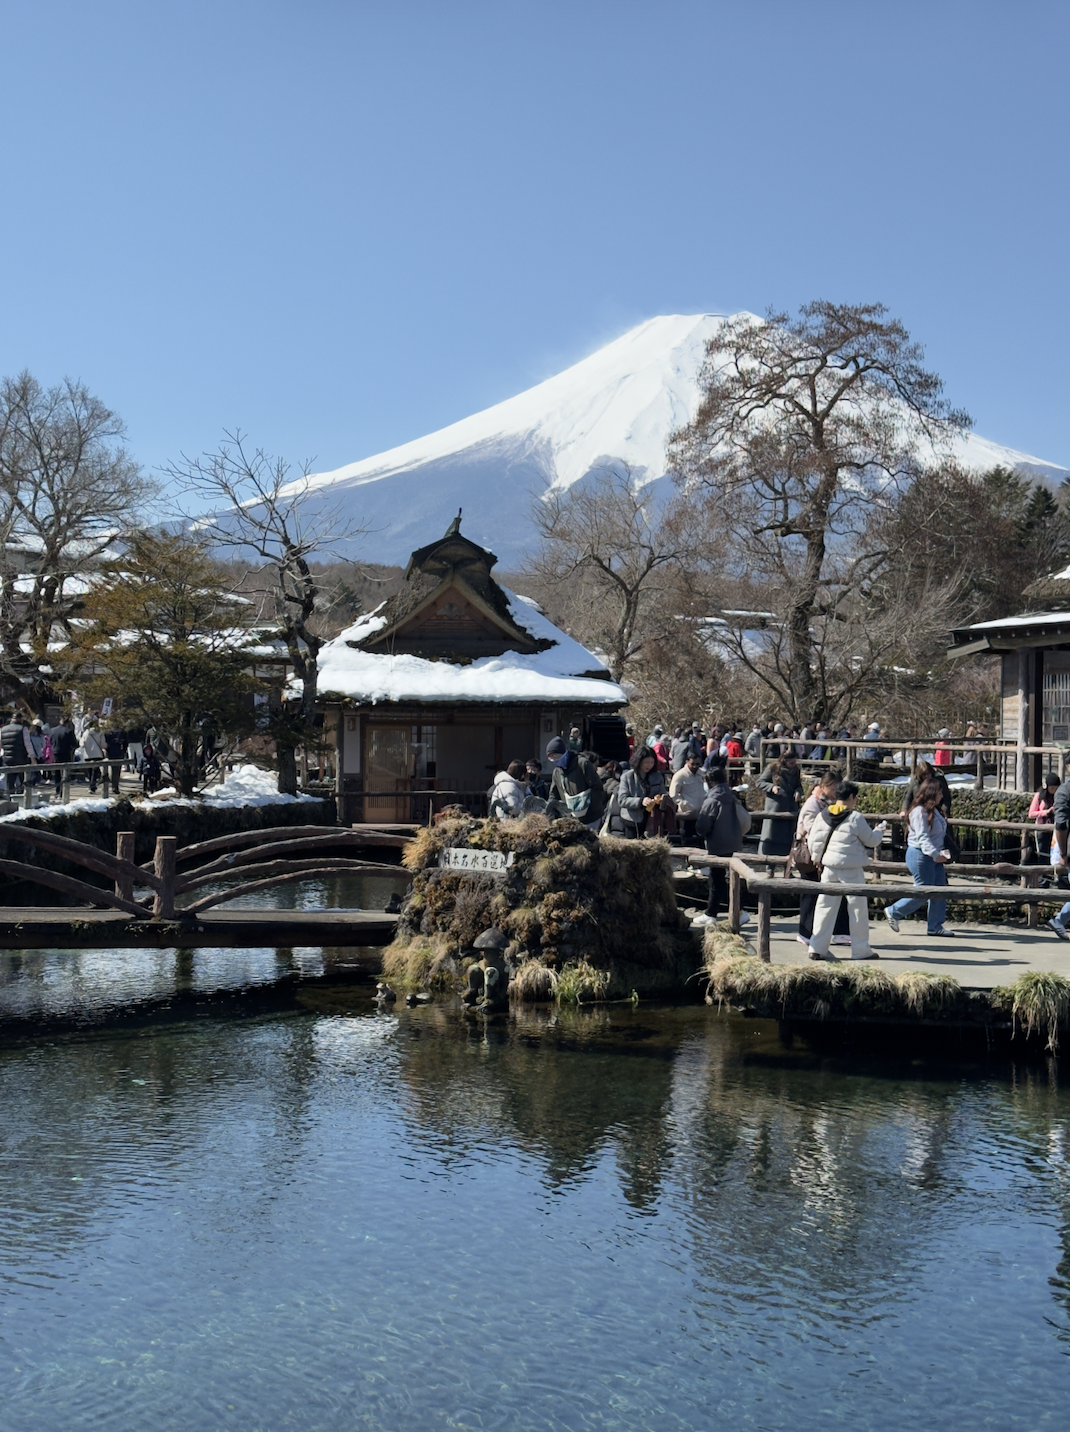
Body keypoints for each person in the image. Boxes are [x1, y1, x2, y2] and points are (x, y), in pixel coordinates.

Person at [806, 781, 887, 961]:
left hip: (829, 867)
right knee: (857, 910)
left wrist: (817, 858)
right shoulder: (855, 817)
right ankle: (860, 950)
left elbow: (814, 841)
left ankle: (817, 947)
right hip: (851, 868)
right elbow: (871, 841)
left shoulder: (822, 815)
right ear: (851, 797)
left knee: (824, 907)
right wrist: (879, 831)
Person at [885, 777, 954, 938]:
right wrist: (936, 855)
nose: (941, 795)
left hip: (934, 855)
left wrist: (940, 853)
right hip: (920, 855)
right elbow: (923, 838)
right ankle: (894, 911)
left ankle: (935, 925)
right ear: (931, 793)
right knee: (924, 890)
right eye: (939, 792)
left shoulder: (935, 810)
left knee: (940, 890)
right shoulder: (919, 812)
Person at [794, 771, 852, 948]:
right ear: (824, 787)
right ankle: (805, 932)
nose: (835, 792)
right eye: (833, 789)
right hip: (811, 855)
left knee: (834, 892)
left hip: (826, 853)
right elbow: (812, 830)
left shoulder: (830, 802)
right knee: (810, 895)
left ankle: (840, 931)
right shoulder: (813, 803)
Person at [691, 765, 752, 926]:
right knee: (718, 878)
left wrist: (699, 831)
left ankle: (738, 911)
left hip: (717, 843)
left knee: (717, 880)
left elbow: (703, 825)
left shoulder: (712, 799)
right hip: (733, 841)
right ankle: (712, 912)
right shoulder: (731, 795)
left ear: (710, 782)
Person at [544, 736, 605, 828]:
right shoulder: (557, 772)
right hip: (572, 819)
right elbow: (553, 795)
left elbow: (597, 787)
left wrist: (590, 807)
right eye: (550, 758)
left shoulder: (582, 763)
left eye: (554, 756)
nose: (553, 760)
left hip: (591, 817)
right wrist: (546, 812)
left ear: (563, 753)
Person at [756, 751, 803, 857]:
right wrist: (772, 787)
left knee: (787, 837)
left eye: (795, 762)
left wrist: (798, 791)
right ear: (784, 761)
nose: (793, 765)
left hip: (790, 808)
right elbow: (759, 782)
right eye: (791, 763)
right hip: (775, 809)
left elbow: (799, 785)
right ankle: (768, 861)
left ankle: (786, 861)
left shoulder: (796, 770)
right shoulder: (772, 768)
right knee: (771, 834)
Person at [618, 745, 668, 838]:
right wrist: (641, 801)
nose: (649, 765)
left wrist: (660, 799)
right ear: (639, 761)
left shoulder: (657, 776)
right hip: (632, 820)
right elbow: (622, 800)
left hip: (652, 819)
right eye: (646, 762)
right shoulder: (627, 777)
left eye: (652, 762)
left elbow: (663, 793)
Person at [669, 751, 707, 846]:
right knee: (687, 842)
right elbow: (673, 794)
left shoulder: (702, 774)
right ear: (687, 762)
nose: (695, 766)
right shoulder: (679, 775)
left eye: (697, 764)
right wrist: (684, 804)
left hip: (700, 814)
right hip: (687, 815)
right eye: (692, 764)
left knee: (701, 842)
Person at [1029, 773, 1060, 859]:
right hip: (1042, 830)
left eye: (1056, 788)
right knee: (1043, 855)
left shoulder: (1059, 796)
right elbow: (1031, 814)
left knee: (1056, 854)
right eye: (1052, 788)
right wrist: (1046, 812)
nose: (1054, 791)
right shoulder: (1039, 796)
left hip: (1056, 829)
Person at [80, 717, 106, 793]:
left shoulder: (86, 733)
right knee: (95, 772)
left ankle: (91, 785)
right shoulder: (100, 732)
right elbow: (103, 744)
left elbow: (82, 744)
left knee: (90, 771)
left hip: (88, 755)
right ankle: (92, 786)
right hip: (97, 754)